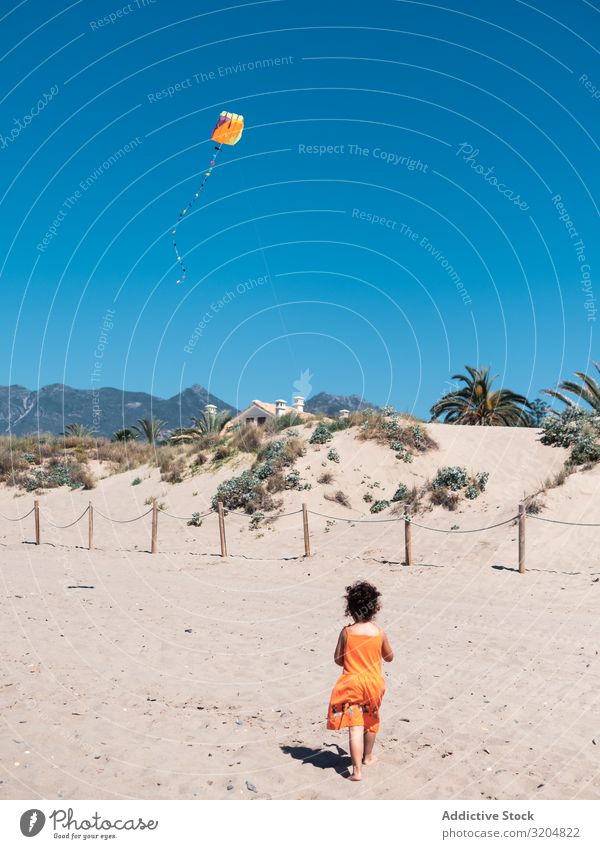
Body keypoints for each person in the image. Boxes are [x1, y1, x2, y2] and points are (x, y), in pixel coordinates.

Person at [327, 580, 394, 781]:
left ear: (350, 609)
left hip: (351, 684)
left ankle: (356, 771)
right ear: (375, 608)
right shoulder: (379, 632)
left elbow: (338, 659)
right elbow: (389, 657)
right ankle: (368, 756)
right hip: (373, 684)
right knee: (371, 720)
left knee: (354, 725)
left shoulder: (347, 632)